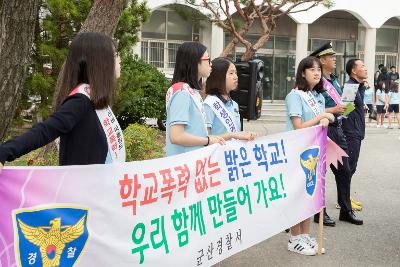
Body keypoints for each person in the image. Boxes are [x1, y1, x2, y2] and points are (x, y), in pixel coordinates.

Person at [0, 32, 125, 173]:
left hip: (97, 191)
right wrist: (4, 152)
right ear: (100, 63)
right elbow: (45, 130)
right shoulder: (80, 102)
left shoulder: (94, 101)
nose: (120, 60)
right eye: (115, 55)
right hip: (78, 192)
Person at [285, 56, 335, 256]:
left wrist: (323, 121)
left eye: (318, 70)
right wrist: (321, 117)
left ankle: (305, 235)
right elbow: (298, 126)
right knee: (297, 195)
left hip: (314, 152)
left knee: (309, 194)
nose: (316, 72)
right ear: (302, 73)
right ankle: (294, 237)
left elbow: (319, 124)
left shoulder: (319, 97)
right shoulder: (294, 95)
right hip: (297, 151)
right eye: (311, 69)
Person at [309, 42, 356, 226]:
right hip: (324, 128)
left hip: (338, 128)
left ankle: (346, 209)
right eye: (331, 57)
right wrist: (335, 108)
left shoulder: (335, 79)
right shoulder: (317, 82)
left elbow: (338, 104)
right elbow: (314, 108)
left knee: (344, 170)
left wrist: (344, 109)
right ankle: (319, 212)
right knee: (321, 171)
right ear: (322, 60)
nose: (335, 59)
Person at [165, 42, 225, 157]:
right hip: (184, 165)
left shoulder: (191, 92)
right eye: (208, 59)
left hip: (193, 163)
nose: (211, 64)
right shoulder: (182, 92)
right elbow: (177, 136)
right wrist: (207, 141)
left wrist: (208, 139)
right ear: (194, 61)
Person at [341, 58, 368, 225]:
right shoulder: (350, 87)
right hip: (351, 133)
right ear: (353, 71)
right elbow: (345, 108)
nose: (365, 69)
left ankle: (347, 197)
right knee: (349, 168)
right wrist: (349, 130)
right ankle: (344, 201)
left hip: (356, 132)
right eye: (362, 66)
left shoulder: (358, 86)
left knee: (352, 167)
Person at [204, 57, 256, 141]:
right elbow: (205, 139)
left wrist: (246, 136)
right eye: (231, 73)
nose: (236, 77)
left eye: (236, 73)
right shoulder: (209, 104)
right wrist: (232, 135)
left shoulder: (234, 104)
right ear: (218, 76)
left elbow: (235, 135)